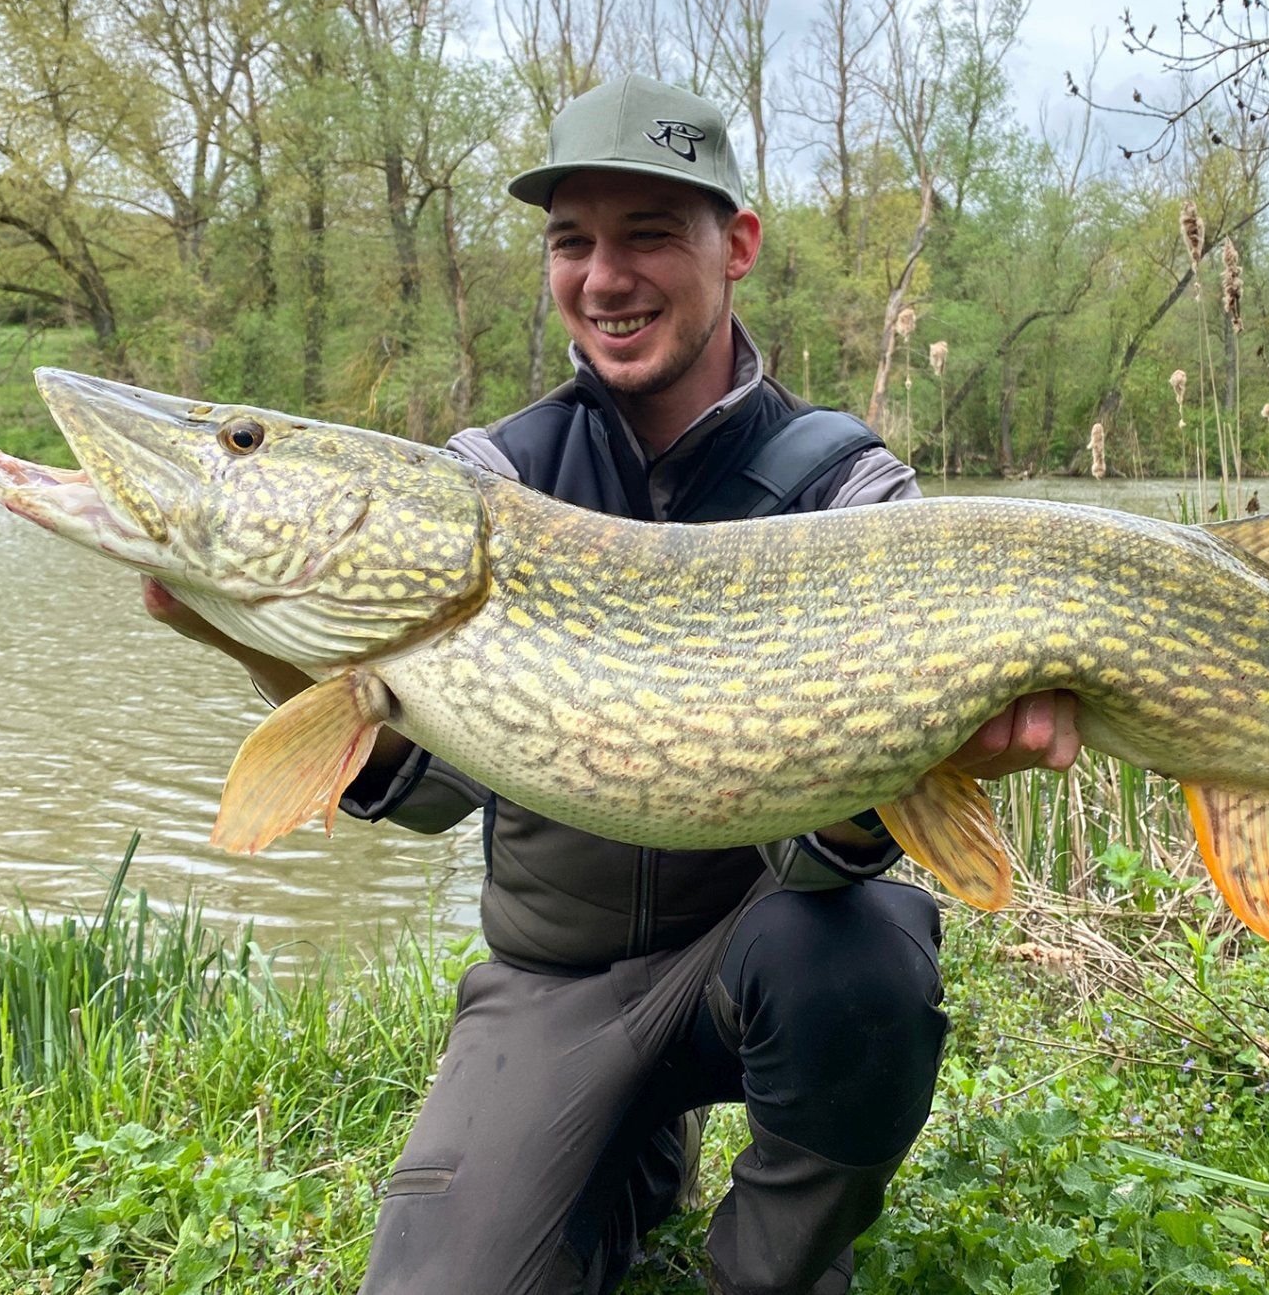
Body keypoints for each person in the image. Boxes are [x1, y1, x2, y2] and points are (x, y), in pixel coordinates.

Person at [145, 74, 1081, 1294]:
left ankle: (772, 1269)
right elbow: (425, 795)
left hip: (756, 956)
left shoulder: (851, 498)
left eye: (648, 233)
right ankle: (629, 1154)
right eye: (572, 242)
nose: (605, 278)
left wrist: (922, 754)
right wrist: (261, 639)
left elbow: (823, 863)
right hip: (554, 988)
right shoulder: (490, 478)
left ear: (735, 244)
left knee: (860, 956)